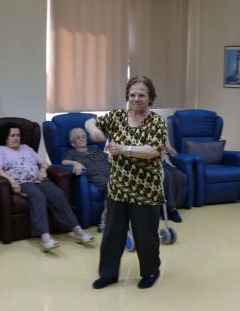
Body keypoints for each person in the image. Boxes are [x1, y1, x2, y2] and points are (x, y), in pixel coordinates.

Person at [86, 75, 167, 290]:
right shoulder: (118, 116)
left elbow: (153, 151)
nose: (136, 99)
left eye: (141, 95)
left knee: (145, 236)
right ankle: (108, 274)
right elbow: (90, 121)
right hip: (118, 189)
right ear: (127, 97)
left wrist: (124, 149)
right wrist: (93, 129)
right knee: (112, 235)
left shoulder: (156, 122)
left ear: (150, 98)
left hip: (145, 190)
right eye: (132, 95)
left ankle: (151, 271)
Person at [0, 122, 94, 252]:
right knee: (38, 197)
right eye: (12, 135)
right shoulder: (0, 150)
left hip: (39, 179)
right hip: (22, 182)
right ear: (5, 137)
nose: (16, 138)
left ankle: (78, 231)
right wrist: (11, 181)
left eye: (18, 135)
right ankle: (45, 238)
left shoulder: (27, 148)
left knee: (57, 194)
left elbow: (43, 163)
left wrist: (43, 170)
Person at [62, 127, 110, 230]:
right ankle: (105, 219)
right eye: (78, 138)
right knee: (111, 186)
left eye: (83, 136)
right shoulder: (73, 153)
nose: (82, 139)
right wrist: (75, 162)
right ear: (73, 143)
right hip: (97, 177)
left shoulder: (95, 149)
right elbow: (63, 162)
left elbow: (109, 158)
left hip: (110, 173)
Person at [161, 141, 187, 223]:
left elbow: (174, 154)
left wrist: (169, 148)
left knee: (180, 175)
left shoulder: (163, 131)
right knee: (167, 176)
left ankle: (172, 206)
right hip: (154, 162)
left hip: (166, 162)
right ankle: (172, 209)